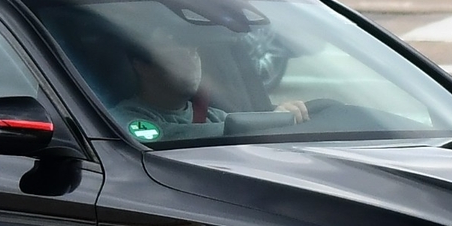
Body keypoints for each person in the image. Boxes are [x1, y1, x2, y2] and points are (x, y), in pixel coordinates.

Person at [110, 36, 309, 143]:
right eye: (174, 48)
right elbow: (167, 137)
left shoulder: (216, 117)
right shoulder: (124, 119)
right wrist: (266, 124)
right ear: (142, 66)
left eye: (193, 50)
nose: (191, 54)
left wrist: (280, 118)